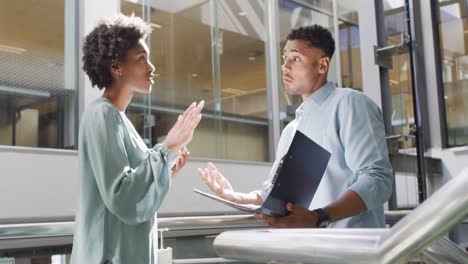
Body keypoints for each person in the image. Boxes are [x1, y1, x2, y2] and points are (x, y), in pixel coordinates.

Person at [199, 25, 393, 229]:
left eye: (296, 58)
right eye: (285, 58)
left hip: (352, 252)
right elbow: (274, 194)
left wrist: (320, 216)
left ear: (322, 65)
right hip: (305, 251)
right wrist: (236, 196)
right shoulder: (291, 129)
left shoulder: (349, 104)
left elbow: (377, 179)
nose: (285, 66)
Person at [71, 14, 204, 264]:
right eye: (142, 59)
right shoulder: (102, 114)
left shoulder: (118, 119)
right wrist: (166, 148)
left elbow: (132, 188)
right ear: (116, 67)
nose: (151, 67)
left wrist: (165, 170)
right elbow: (122, 197)